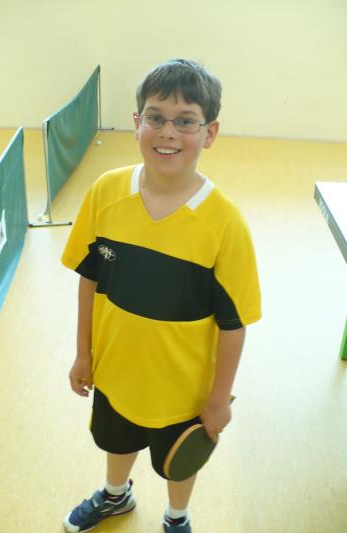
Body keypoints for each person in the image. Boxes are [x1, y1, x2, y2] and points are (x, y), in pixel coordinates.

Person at [61, 58, 261, 533]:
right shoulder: (107, 193)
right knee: (117, 440)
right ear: (137, 123)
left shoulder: (225, 224)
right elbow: (89, 280)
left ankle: (176, 517)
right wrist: (83, 353)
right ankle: (116, 496)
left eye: (186, 121)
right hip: (116, 371)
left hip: (183, 389)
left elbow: (234, 324)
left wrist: (218, 399)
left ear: (210, 133)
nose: (168, 132)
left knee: (180, 462)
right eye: (155, 117)